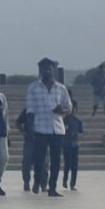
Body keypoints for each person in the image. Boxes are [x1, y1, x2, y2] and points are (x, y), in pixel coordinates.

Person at [23, 59, 72, 198]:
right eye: (44, 69)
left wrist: (61, 109)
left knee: (56, 160)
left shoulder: (61, 88)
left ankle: (52, 187)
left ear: (54, 71)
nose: (47, 72)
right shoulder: (33, 87)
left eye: (50, 69)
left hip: (57, 128)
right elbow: (30, 109)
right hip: (40, 127)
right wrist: (30, 130)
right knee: (39, 159)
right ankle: (37, 181)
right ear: (40, 71)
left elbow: (68, 107)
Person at [59, 102, 82, 191]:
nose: (73, 112)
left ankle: (72, 183)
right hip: (67, 144)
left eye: (75, 110)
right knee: (67, 164)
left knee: (74, 165)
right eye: (72, 110)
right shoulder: (65, 120)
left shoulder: (78, 122)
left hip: (75, 145)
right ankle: (65, 180)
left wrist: (78, 135)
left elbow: (81, 133)